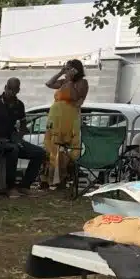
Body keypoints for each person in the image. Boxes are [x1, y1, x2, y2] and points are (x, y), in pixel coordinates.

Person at [0, 78, 45, 198]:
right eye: (9, 89)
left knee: (39, 152)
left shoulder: (19, 105)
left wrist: (19, 136)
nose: (11, 92)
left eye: (14, 90)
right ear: (5, 87)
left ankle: (24, 186)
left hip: (13, 139)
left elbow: (24, 125)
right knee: (13, 150)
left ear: (18, 90)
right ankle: (11, 187)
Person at [42, 59, 88, 188]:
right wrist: (61, 72)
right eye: (66, 68)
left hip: (69, 118)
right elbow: (49, 83)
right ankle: (48, 179)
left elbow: (75, 97)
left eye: (69, 68)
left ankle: (62, 179)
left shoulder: (81, 82)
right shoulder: (64, 81)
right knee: (52, 146)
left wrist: (70, 80)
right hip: (55, 117)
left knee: (65, 148)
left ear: (76, 70)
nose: (66, 71)